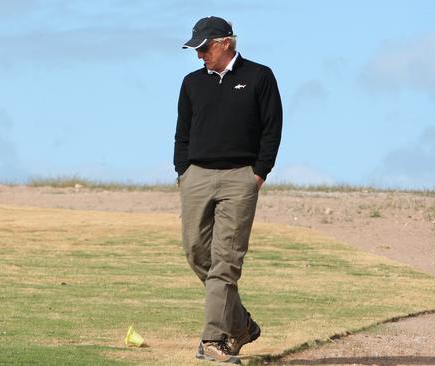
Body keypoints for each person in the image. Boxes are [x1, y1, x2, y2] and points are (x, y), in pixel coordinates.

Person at [173, 16, 283, 364]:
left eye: (204, 47)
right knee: (195, 253)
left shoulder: (259, 77)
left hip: (240, 178)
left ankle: (212, 339)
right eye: (196, 49)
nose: (199, 55)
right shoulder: (191, 83)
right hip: (197, 177)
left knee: (225, 263)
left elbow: (272, 129)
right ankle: (241, 325)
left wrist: (259, 173)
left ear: (225, 43)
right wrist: (183, 171)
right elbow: (183, 132)